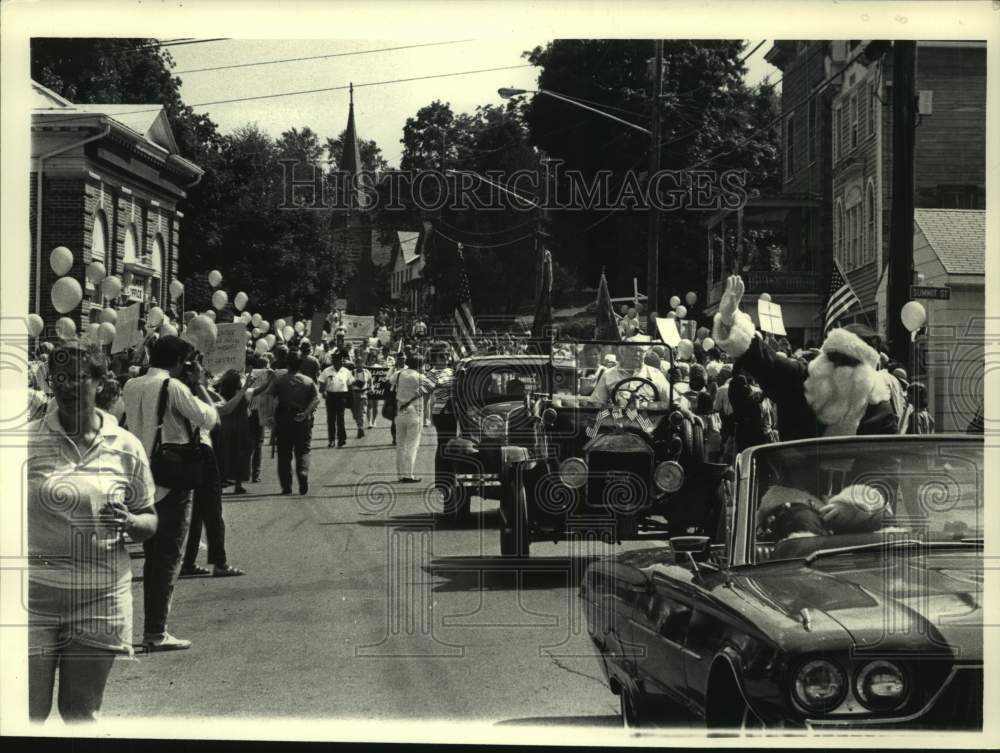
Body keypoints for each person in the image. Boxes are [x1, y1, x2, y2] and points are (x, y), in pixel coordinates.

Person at [28, 340, 158, 722]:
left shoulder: (126, 446)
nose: (67, 386)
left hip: (99, 598)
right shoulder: (28, 441)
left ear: (101, 382)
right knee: (25, 714)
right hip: (32, 599)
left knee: (81, 712)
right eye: (60, 377)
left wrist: (131, 523)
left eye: (79, 377)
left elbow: (149, 519)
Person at [121, 335, 219, 652]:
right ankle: (156, 631)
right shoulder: (173, 387)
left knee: (152, 557)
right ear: (179, 361)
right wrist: (199, 384)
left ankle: (152, 627)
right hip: (170, 478)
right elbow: (209, 418)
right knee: (168, 556)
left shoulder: (132, 385)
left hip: (138, 478)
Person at [180, 368, 248, 578]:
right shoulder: (193, 397)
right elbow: (220, 412)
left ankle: (189, 562)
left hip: (185, 453)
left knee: (198, 512)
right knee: (213, 511)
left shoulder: (177, 393)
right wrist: (200, 383)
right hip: (201, 450)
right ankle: (220, 563)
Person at [265, 351, 320, 495]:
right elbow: (316, 399)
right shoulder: (308, 381)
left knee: (284, 453)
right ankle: (303, 472)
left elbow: (269, 396)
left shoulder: (279, 380)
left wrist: (270, 415)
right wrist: (306, 413)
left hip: (283, 418)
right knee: (303, 450)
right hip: (301, 418)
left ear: (287, 364)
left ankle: (286, 486)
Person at [392, 353, 435, 482]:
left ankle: (400, 474)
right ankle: (408, 474)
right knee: (412, 444)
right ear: (420, 365)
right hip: (414, 412)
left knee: (400, 444)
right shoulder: (420, 377)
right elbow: (432, 386)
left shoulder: (399, 374)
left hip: (400, 410)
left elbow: (391, 382)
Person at [318, 352, 352, 447]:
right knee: (331, 419)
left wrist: (349, 398)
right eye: (337, 361)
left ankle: (341, 439)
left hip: (342, 397)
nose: (340, 362)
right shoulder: (327, 371)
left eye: (341, 361)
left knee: (340, 419)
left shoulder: (346, 371)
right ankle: (331, 440)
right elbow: (321, 383)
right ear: (334, 361)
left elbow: (350, 385)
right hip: (331, 396)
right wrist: (323, 391)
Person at [350, 359, 371, 438]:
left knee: (362, 411)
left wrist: (371, 388)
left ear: (363, 364)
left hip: (363, 393)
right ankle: (359, 425)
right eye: (357, 363)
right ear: (355, 364)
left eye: (360, 363)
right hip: (354, 394)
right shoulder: (352, 372)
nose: (359, 365)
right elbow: (348, 382)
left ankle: (360, 428)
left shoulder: (366, 372)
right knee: (355, 413)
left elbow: (370, 381)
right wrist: (355, 382)